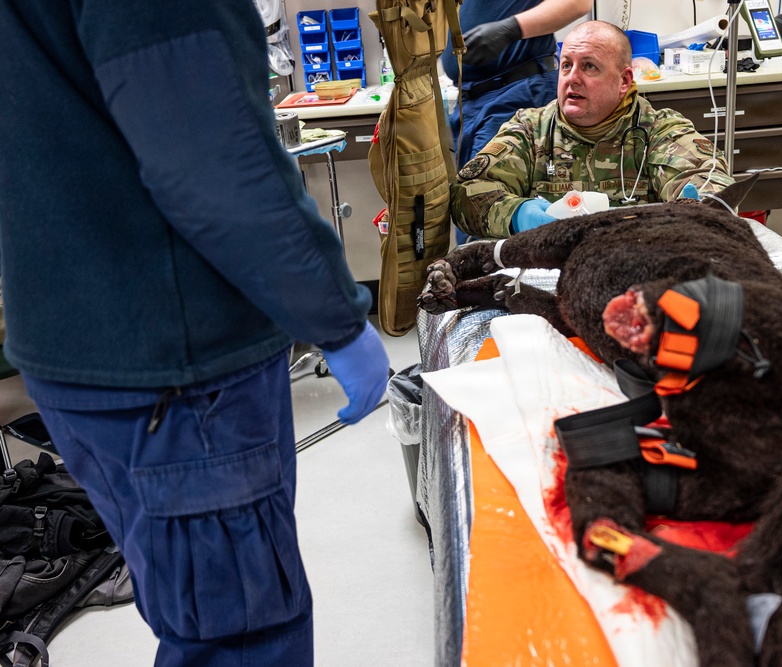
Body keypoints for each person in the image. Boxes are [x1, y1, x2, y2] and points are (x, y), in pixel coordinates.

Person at [0, 2, 389, 666]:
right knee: (238, 633)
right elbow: (218, 168)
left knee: (197, 612)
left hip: (79, 342)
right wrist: (336, 316)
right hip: (174, 364)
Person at [450, 20, 737, 239]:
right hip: (545, 275)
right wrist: (516, 215)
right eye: (566, 66)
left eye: (589, 67)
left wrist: (694, 208)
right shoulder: (529, 130)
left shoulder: (658, 130)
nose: (572, 78)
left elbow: (711, 185)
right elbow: (467, 194)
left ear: (624, 81)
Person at [440, 0, 591, 242]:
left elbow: (577, 3)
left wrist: (511, 28)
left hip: (515, 92)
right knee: (472, 212)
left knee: (491, 215)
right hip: (472, 100)